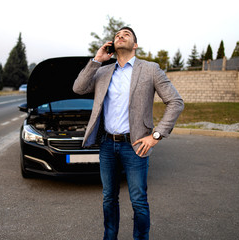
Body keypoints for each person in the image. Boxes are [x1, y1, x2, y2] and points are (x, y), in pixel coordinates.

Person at [73, 27, 184, 240]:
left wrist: (156, 136)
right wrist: (97, 59)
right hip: (107, 144)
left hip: (135, 145)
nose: (120, 36)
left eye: (126, 35)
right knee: (108, 199)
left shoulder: (150, 69)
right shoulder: (103, 71)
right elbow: (78, 88)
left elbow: (175, 102)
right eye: (117, 35)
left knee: (138, 200)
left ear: (135, 45)